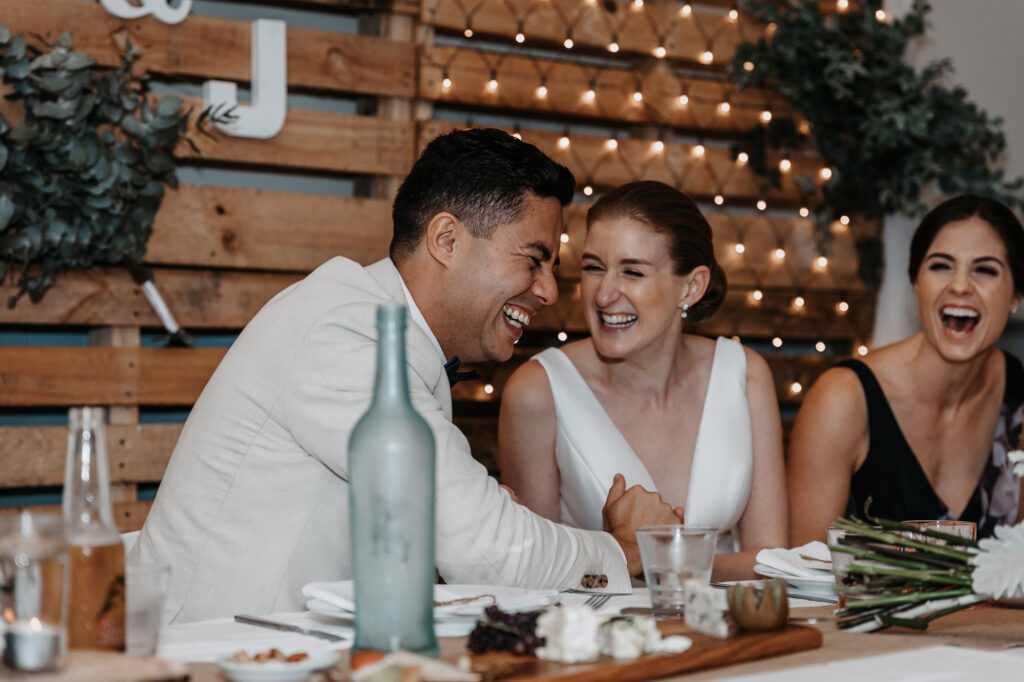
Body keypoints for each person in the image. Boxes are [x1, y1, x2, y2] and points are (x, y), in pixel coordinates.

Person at [129, 129, 685, 624]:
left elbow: (458, 536)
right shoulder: (347, 336)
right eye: (533, 259)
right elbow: (485, 547)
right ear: (446, 240)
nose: (548, 291)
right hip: (214, 655)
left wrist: (482, 512)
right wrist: (625, 550)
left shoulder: (374, 326)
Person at [498, 181, 788, 581]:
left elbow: (772, 560)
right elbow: (531, 574)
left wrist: (664, 560)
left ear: (691, 286)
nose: (603, 295)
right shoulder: (538, 391)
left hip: (729, 631)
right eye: (593, 268)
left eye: (632, 271)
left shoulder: (744, 375)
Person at [788, 195, 1024, 545]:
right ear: (917, 283)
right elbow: (801, 572)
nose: (960, 285)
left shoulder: (1019, 393)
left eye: (985, 270)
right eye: (940, 266)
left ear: (1016, 297)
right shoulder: (843, 400)